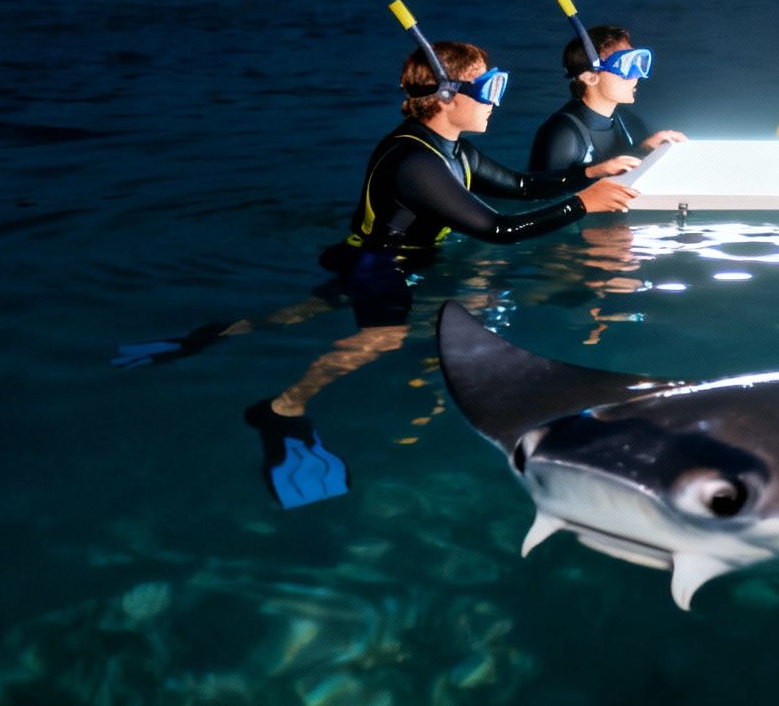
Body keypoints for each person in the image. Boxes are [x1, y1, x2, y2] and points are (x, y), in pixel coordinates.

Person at [241, 37, 639, 507]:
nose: (497, 101)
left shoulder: (455, 151)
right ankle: (282, 406)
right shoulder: (416, 162)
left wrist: (589, 174)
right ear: (447, 98)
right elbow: (498, 229)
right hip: (380, 264)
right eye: (489, 88)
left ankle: (225, 332)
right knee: (382, 339)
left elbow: (522, 185)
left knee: (318, 308)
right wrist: (580, 205)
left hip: (413, 262)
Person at [529, 23, 687, 172]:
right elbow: (542, 196)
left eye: (637, 63)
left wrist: (646, 151)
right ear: (590, 77)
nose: (636, 76)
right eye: (626, 66)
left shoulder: (628, 122)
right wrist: (594, 174)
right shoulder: (562, 134)